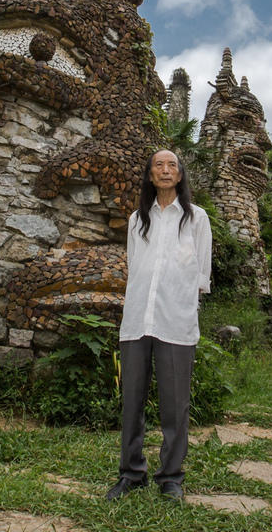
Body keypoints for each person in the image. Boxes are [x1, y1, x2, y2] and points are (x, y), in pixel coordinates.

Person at [105, 149, 212, 502]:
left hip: (176, 321)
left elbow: (201, 277)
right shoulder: (138, 220)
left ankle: (171, 477)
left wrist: (185, 309)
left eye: (172, 165)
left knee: (174, 403)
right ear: (150, 176)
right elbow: (134, 269)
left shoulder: (197, 219)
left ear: (180, 176)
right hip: (137, 319)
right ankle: (131, 472)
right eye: (158, 165)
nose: (166, 170)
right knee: (131, 400)